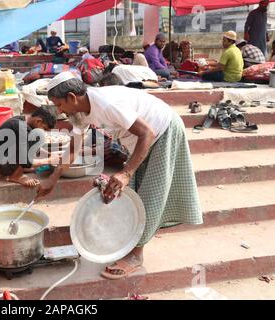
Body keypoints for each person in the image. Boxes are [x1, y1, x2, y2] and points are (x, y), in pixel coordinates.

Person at [36, 72, 203, 279]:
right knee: (129, 194)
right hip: (139, 141)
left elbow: (147, 133)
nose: (59, 111)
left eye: (59, 105)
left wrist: (126, 173)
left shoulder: (105, 104)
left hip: (162, 131)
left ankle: (136, 255)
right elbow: (73, 149)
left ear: (72, 97)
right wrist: (53, 179)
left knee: (147, 195)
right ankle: (129, 244)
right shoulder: (79, 113)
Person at [0, 107, 59, 187]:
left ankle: (20, 168)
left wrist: (48, 154)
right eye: (44, 128)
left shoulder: (24, 121)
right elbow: (26, 161)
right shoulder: (22, 129)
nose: (43, 131)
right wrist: (49, 160)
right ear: (38, 121)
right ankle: (16, 176)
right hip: (1, 165)